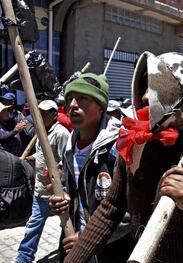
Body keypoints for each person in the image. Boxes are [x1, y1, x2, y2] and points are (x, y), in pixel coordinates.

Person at [64, 51, 183, 262]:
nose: (145, 96)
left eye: (157, 87)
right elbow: (109, 211)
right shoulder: (135, 144)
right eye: (144, 86)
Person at [48, 73, 133, 262]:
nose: (72, 105)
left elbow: (129, 212)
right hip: (73, 246)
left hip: (109, 252)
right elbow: (68, 188)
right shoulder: (70, 146)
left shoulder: (119, 148)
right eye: (70, 98)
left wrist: (89, 238)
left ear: (101, 107)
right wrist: (60, 198)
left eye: (83, 98)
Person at [15, 100, 70, 263]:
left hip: (57, 192)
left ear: (54, 115)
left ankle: (71, 255)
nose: (40, 116)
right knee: (33, 225)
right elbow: (41, 155)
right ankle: (24, 257)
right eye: (38, 113)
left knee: (66, 227)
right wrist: (28, 159)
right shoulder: (41, 131)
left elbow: (66, 160)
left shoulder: (61, 133)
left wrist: (56, 180)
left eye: (44, 113)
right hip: (41, 190)